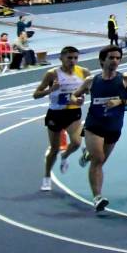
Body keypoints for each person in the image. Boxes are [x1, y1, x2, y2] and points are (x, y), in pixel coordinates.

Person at [75, 46, 127, 214]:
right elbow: (75, 95)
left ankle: (88, 154)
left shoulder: (126, 79)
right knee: (98, 159)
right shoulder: (91, 81)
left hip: (114, 126)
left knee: (100, 160)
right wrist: (77, 99)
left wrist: (121, 102)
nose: (115, 61)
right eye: (111, 58)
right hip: (94, 124)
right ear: (102, 60)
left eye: (118, 58)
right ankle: (97, 198)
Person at [33, 45, 89, 192]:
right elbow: (35, 95)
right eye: (69, 58)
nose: (73, 61)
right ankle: (47, 177)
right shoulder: (52, 74)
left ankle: (65, 156)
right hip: (55, 114)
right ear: (61, 58)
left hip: (73, 112)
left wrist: (82, 97)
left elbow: (88, 90)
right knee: (54, 149)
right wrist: (50, 90)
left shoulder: (84, 72)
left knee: (76, 143)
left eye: (75, 58)